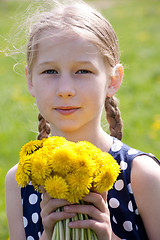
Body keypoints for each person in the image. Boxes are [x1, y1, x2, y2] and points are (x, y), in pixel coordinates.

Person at [5, 1, 160, 240]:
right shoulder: (20, 182)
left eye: (83, 71)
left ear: (113, 80)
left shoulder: (142, 175)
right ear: (30, 80)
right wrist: (47, 234)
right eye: (50, 72)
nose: (65, 89)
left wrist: (109, 236)